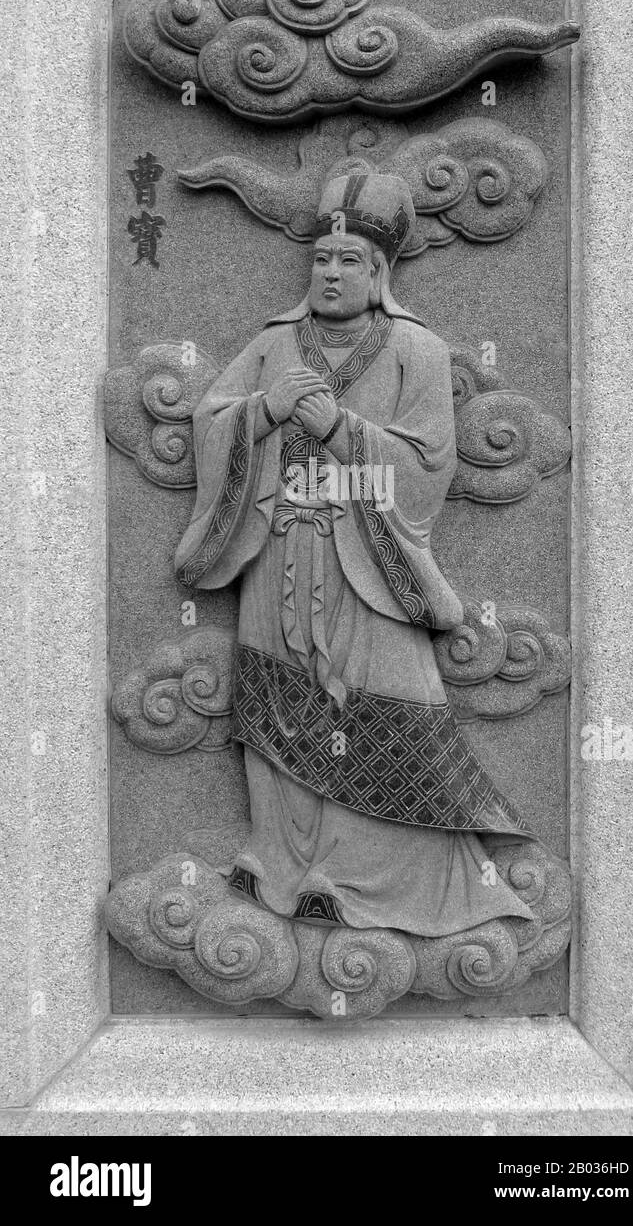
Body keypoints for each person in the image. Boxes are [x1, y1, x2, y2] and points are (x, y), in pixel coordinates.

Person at [175, 172, 532, 935]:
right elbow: (214, 421)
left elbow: (429, 463)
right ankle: (284, 866)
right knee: (281, 700)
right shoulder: (275, 345)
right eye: (321, 259)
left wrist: (340, 430)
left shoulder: (415, 349)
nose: (331, 273)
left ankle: (386, 878)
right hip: (278, 557)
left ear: (379, 272)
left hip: (366, 562)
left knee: (384, 702)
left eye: (348, 261)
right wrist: (263, 412)